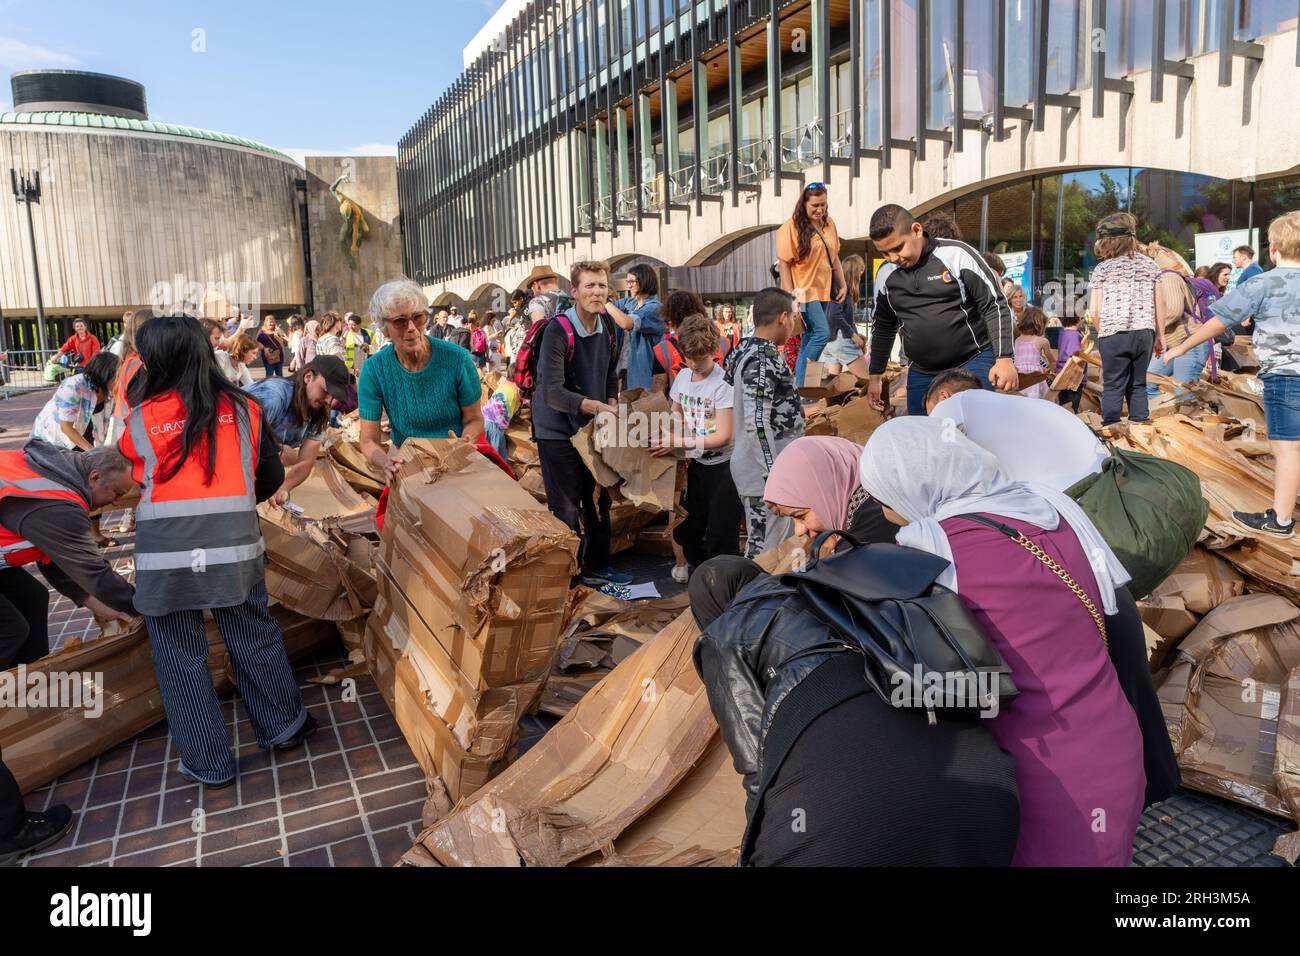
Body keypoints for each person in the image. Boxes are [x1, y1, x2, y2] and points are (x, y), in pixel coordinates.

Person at [859, 417, 1146, 865]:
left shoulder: (933, 548)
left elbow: (928, 682)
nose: (885, 511)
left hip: (1046, 778)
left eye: (881, 497)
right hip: (1116, 741)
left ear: (905, 485)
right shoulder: (1049, 506)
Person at [922, 383, 1181, 808]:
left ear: (946, 395)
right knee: (1120, 655)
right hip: (1085, 518)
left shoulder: (953, 411)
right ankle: (1153, 778)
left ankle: (1127, 786)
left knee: (1084, 664)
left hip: (1064, 521)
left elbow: (934, 466)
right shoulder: (1014, 409)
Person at [690, 555, 1020, 867]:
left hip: (852, 823)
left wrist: (757, 849)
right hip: (988, 792)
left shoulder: (724, 635)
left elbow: (756, 767)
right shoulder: (826, 588)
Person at [118, 313, 315, 789]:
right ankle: (282, 727)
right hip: (234, 548)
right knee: (252, 631)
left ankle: (209, 763)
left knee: (179, 653)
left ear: (156, 361)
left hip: (165, 557)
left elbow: (135, 479)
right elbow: (269, 479)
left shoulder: (141, 419)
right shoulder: (244, 408)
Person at [1165, 210, 1300, 537]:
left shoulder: (1261, 282)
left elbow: (1219, 322)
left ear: (1273, 249)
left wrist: (1181, 347)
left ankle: (1281, 520)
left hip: (1285, 375)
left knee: (1287, 448)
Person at [855, 204, 1017, 416]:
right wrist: (875, 376)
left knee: (974, 428)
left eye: (898, 248)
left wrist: (1004, 358)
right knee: (925, 437)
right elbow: (883, 327)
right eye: (885, 253)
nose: (894, 257)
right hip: (922, 372)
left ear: (916, 230)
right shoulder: (888, 275)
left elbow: (994, 304)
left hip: (972, 361)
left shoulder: (957, 255)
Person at [531, 260, 629, 588]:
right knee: (567, 506)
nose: (597, 292)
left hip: (591, 426)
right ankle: (568, 578)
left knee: (599, 499)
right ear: (575, 292)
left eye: (602, 285)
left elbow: (611, 372)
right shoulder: (559, 329)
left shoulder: (610, 327)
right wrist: (596, 405)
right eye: (589, 286)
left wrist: (612, 402)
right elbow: (552, 391)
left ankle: (599, 566)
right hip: (556, 428)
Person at [0, 440, 138, 667]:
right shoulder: (56, 504)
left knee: (33, 598)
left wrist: (100, 605)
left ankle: (30, 682)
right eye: (116, 492)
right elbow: (94, 572)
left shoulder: (59, 472)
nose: (116, 501)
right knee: (9, 629)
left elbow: (56, 561)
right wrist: (141, 608)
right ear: (94, 477)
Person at [357, 279, 483, 481]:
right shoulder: (374, 371)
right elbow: (368, 440)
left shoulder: (457, 358)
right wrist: (385, 462)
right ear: (383, 328)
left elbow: (474, 419)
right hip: (409, 466)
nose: (411, 328)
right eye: (400, 321)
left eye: (418, 317)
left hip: (458, 461)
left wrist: (463, 443)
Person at [649, 314, 743, 572]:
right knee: (687, 531)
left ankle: (724, 587)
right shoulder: (682, 378)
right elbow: (675, 414)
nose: (694, 364)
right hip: (698, 465)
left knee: (721, 535)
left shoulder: (723, 383)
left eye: (700, 358)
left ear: (713, 351)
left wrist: (679, 441)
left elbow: (724, 436)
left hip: (725, 468)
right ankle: (704, 577)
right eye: (689, 358)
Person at [724, 287, 806, 558]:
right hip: (763, 475)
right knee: (766, 551)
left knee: (764, 545)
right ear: (783, 317)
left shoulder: (747, 350)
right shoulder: (762, 359)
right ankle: (754, 598)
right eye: (794, 317)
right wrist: (774, 476)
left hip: (757, 469)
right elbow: (757, 422)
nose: (795, 324)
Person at [1088, 212, 1165, 427]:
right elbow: (1160, 305)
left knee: (1113, 385)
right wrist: (1160, 336)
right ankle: (1140, 432)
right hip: (1144, 334)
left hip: (1112, 334)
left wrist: (1103, 331)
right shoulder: (1150, 266)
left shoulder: (1102, 269)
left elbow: (1094, 310)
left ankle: (1112, 435)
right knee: (1138, 385)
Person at [245, 355, 350, 507]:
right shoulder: (274, 396)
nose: (328, 401)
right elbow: (237, 440)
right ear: (308, 377)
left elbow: (306, 461)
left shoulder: (318, 411)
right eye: (325, 391)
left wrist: (283, 488)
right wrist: (276, 451)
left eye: (332, 396)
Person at [763, 436, 896, 549]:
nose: (798, 531)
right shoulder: (882, 495)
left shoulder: (861, 542)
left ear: (827, 491)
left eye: (801, 516)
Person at [776, 183, 847, 388]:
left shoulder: (829, 224)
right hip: (803, 292)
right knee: (821, 333)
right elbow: (784, 263)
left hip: (824, 290)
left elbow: (834, 257)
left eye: (823, 205)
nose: (820, 210)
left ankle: (803, 386)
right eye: (815, 205)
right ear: (804, 204)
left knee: (811, 336)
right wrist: (791, 297)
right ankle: (804, 381)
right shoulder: (791, 227)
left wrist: (842, 284)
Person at [1145, 243, 1216, 397]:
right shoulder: (1164, 277)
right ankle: (1169, 417)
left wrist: (1148, 326)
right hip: (1175, 344)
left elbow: (1173, 310)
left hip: (1190, 343)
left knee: (1184, 394)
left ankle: (1188, 418)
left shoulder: (1167, 276)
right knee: (1147, 382)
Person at [31, 352, 119, 451]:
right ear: (105, 375)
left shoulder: (109, 392)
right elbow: (65, 427)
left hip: (82, 433)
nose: (120, 379)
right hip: (53, 440)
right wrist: (93, 451)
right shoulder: (73, 386)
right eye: (117, 376)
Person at [604, 264, 665, 390]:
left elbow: (627, 323)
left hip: (643, 376)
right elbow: (607, 309)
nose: (628, 285)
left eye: (632, 281)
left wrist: (604, 301)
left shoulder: (654, 308)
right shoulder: (629, 303)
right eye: (627, 281)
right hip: (624, 371)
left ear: (645, 281)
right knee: (624, 409)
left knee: (642, 410)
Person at [822, 253, 867, 373]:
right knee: (868, 383)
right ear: (856, 271)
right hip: (841, 339)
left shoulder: (834, 287)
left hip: (830, 342)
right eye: (861, 271)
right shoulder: (844, 289)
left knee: (834, 388)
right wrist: (853, 335)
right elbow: (834, 314)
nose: (861, 275)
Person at [1013, 306, 1054, 399]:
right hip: (1034, 378)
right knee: (1037, 402)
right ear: (1040, 325)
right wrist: (1053, 371)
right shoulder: (1042, 341)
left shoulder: (1017, 340)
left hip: (1019, 376)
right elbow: (1052, 361)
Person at [1053, 313, 1087, 411]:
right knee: (1070, 409)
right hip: (1072, 378)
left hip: (1063, 375)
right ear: (1079, 318)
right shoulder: (1074, 336)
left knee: (1064, 407)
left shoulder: (1064, 333)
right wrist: (1088, 353)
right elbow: (1075, 358)